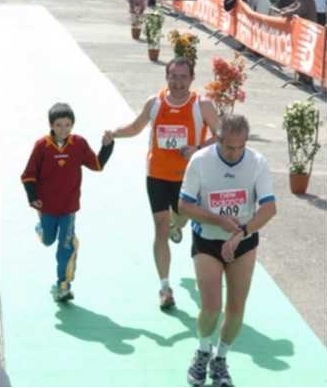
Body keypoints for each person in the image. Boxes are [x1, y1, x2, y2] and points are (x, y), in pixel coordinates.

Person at [109, 57, 219, 310]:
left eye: (183, 77)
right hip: (157, 175)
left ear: (192, 79)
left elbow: (221, 134)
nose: (178, 82)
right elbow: (136, 127)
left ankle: (176, 224)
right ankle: (165, 287)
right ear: (166, 77)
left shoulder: (201, 105)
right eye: (173, 76)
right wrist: (114, 132)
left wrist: (198, 148)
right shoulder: (155, 102)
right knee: (159, 228)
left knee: (182, 219)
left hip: (189, 177)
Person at [178, 114, 276, 387]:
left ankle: (220, 359)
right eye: (228, 147)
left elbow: (269, 208)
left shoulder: (257, 162)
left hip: (242, 243)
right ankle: (202, 351)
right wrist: (219, 220)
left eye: (239, 147)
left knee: (235, 309)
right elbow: (185, 205)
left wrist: (241, 232)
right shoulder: (200, 161)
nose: (234, 154)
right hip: (207, 241)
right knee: (211, 306)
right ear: (218, 139)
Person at [21, 103, 114, 302]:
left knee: (65, 247)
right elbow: (28, 176)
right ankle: (41, 229)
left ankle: (64, 283)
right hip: (47, 207)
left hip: (69, 208)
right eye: (59, 125)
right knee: (48, 241)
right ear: (51, 125)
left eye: (68, 125)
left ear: (73, 124)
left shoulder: (79, 144)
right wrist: (34, 198)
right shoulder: (42, 146)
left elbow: (97, 165)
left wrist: (107, 146)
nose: (63, 129)